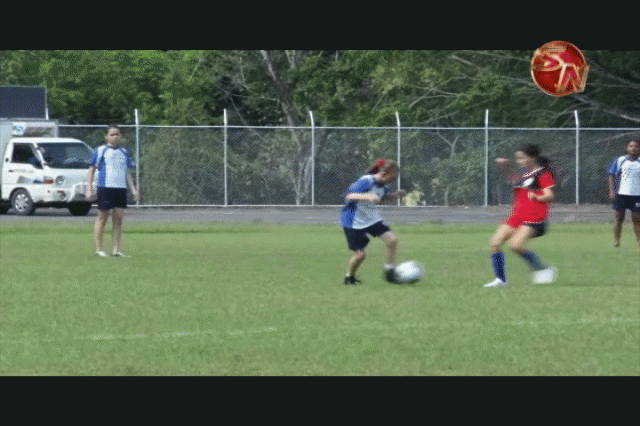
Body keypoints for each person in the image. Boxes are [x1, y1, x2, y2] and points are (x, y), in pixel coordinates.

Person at [484, 145, 557, 288]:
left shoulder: (543, 174)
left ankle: (542, 269)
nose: (519, 161)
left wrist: (537, 196)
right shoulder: (524, 174)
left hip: (534, 217)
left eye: (522, 158)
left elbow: (549, 195)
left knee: (516, 245)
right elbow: (514, 178)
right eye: (518, 158)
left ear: (532, 158)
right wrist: (504, 166)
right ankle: (501, 280)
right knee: (495, 242)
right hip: (516, 216)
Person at [340, 159, 407, 285]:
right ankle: (349, 278)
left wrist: (396, 195)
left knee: (392, 240)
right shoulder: (367, 180)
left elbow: (381, 197)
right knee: (360, 255)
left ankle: (389, 272)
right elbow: (348, 196)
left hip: (371, 218)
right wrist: (367, 196)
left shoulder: (384, 185)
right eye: (392, 178)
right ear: (384, 174)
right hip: (353, 220)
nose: (393, 181)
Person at [85, 124, 141, 257]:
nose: (115, 136)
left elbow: (126, 172)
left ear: (120, 136)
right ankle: (99, 249)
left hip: (120, 188)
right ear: (106, 136)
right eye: (112, 134)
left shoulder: (124, 152)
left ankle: (116, 250)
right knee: (102, 218)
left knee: (118, 219)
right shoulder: (100, 150)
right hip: (105, 188)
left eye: (117, 134)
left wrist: (133, 190)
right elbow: (91, 169)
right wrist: (89, 188)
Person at [607, 137, 640, 248]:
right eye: (631, 146)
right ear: (626, 148)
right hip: (622, 194)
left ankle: (638, 240)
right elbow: (611, 175)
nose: (633, 148)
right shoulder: (620, 160)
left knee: (637, 219)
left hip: (637, 195)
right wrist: (612, 191)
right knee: (619, 218)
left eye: (636, 146)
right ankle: (616, 240)